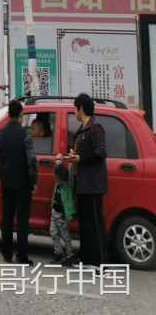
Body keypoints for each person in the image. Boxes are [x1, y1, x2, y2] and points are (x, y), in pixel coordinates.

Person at [64, 92, 108, 266]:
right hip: (82, 183)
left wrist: (80, 159)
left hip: (93, 184)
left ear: (81, 108)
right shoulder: (83, 128)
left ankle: (102, 263)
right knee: (85, 223)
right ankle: (86, 258)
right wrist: (75, 156)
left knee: (95, 223)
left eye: (75, 108)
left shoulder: (95, 127)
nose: (74, 112)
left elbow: (100, 152)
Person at [0, 99, 37, 265]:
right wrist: (33, 180)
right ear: (21, 115)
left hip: (7, 181)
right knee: (23, 220)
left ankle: (6, 254)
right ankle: (22, 256)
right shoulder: (24, 134)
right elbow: (31, 159)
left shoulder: (1, 132)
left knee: (7, 217)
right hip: (22, 183)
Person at [50, 161, 76, 266]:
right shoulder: (58, 184)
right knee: (53, 232)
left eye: (56, 179)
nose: (54, 181)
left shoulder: (68, 186)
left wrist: (70, 162)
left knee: (65, 236)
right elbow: (58, 167)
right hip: (54, 212)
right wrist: (58, 160)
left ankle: (70, 255)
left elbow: (70, 172)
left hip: (62, 215)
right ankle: (58, 253)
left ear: (62, 179)